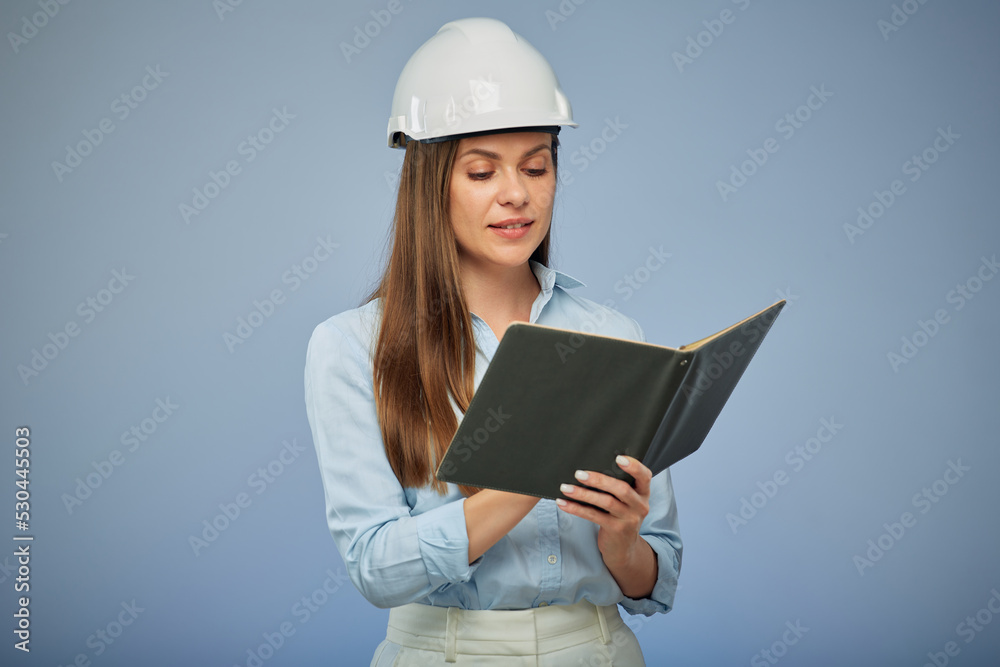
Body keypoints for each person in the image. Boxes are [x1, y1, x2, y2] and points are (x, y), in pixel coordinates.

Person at [304, 17, 681, 666]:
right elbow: (375, 566)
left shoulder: (613, 337)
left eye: (536, 166)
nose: (516, 194)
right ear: (431, 184)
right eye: (482, 172)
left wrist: (622, 539)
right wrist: (524, 480)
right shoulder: (350, 348)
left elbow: (657, 578)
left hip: (598, 649)